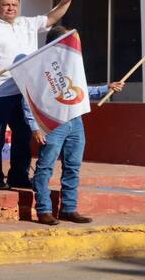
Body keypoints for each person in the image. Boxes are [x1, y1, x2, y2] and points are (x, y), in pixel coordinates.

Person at [23, 26, 125, 225]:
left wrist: (106, 88)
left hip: (75, 121)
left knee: (73, 167)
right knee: (45, 167)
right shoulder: (38, 66)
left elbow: (79, 90)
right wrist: (35, 127)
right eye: (67, 41)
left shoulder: (70, 65)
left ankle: (69, 209)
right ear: (55, 43)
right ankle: (44, 210)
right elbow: (28, 98)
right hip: (52, 122)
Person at [0, 0, 77, 190]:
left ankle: (18, 175)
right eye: (6, 5)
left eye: (14, 4)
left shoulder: (27, 23)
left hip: (26, 90)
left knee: (24, 135)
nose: (10, 8)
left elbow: (52, 17)